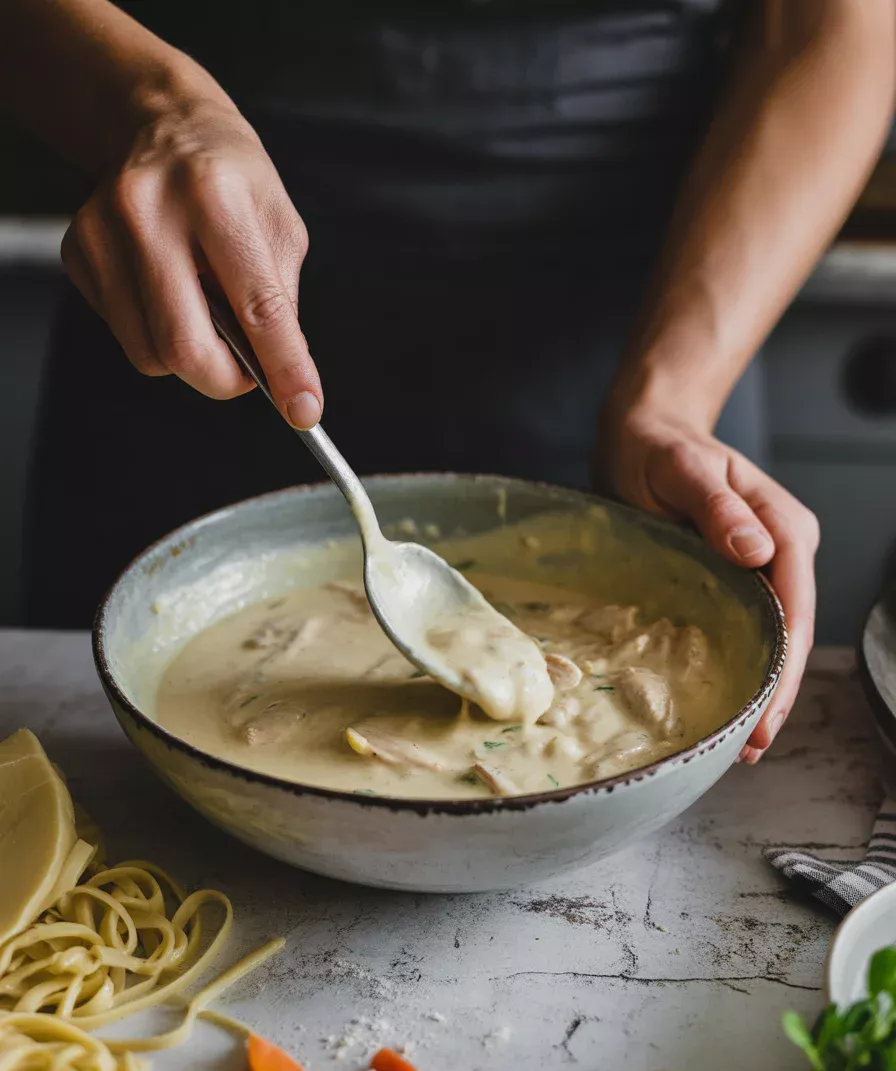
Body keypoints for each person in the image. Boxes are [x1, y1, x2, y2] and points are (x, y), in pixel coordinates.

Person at [2, 1, 893, 764]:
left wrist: (673, 399)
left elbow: (835, 23)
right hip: (194, 278)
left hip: (649, 300)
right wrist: (145, 103)